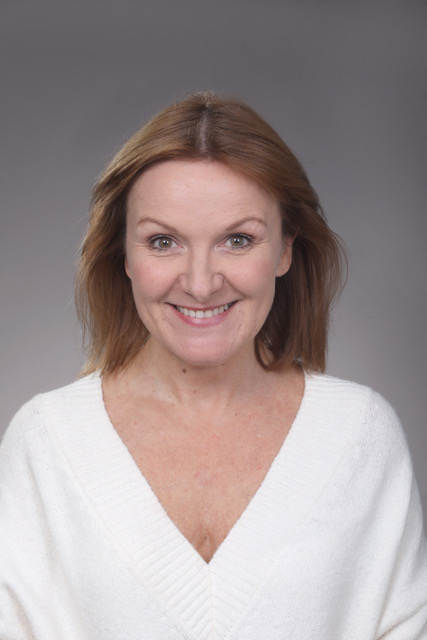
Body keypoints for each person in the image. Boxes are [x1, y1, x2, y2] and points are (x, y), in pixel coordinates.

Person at [1, 92, 426, 640]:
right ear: (123, 254)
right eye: (163, 241)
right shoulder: (46, 443)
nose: (201, 283)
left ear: (285, 250)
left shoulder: (359, 436)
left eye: (237, 240)